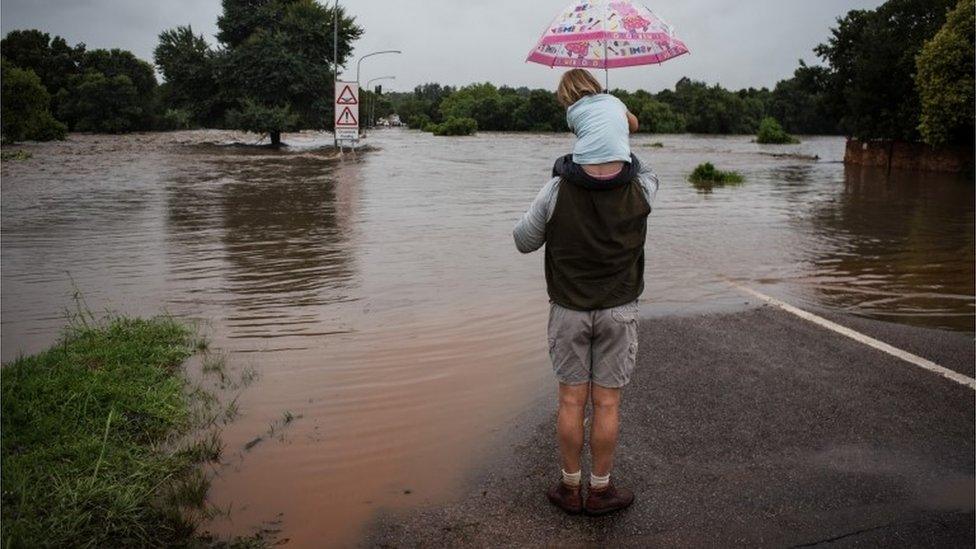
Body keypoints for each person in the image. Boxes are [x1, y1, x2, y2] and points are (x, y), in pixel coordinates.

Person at [512, 68, 658, 516]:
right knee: (607, 402)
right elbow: (641, 165)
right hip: (620, 310)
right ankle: (600, 491)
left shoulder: (555, 190)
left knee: (571, 401)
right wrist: (622, 122)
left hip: (569, 311)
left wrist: (560, 176)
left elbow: (523, 240)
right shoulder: (643, 189)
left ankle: (568, 487)